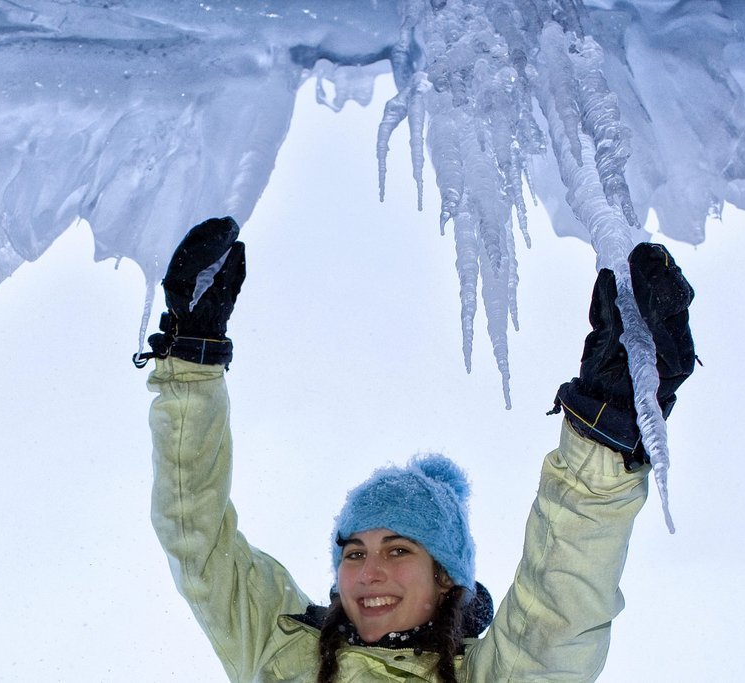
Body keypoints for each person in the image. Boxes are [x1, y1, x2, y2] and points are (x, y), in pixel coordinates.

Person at [140, 216, 695, 682]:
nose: (368, 572)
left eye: (398, 549)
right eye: (354, 552)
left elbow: (563, 599)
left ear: (446, 577)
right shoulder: (279, 651)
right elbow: (196, 532)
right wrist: (191, 362)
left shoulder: (500, 675)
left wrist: (605, 429)